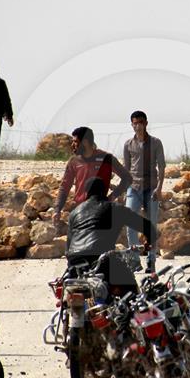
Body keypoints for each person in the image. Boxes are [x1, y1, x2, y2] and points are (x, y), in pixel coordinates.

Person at [66, 177, 157, 295]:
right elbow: (148, 227)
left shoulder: (75, 212)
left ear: (86, 193)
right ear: (105, 191)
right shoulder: (115, 208)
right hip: (102, 259)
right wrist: (149, 242)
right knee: (131, 294)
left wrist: (71, 264)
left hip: (75, 262)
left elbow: (68, 246)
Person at [53, 126, 132, 225]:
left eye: (75, 142)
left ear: (85, 142)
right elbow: (64, 187)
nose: (73, 145)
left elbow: (127, 178)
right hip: (80, 211)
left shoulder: (106, 158)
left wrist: (112, 197)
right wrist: (57, 209)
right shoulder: (74, 161)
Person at [122, 110, 166, 272]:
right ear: (132, 124)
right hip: (133, 188)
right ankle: (134, 259)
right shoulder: (128, 144)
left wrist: (159, 188)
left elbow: (161, 167)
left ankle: (151, 260)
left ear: (146, 123)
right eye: (135, 123)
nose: (137, 126)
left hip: (151, 188)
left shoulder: (156, 143)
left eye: (140, 122)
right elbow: (126, 169)